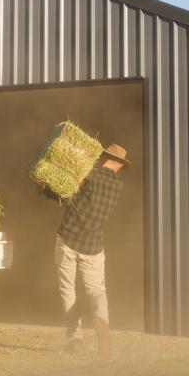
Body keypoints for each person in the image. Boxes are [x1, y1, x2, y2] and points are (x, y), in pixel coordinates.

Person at [55, 142, 130, 355]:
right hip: (93, 245)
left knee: (68, 288)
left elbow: (66, 194)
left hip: (68, 238)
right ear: (120, 166)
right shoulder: (118, 186)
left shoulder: (88, 175)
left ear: (103, 157)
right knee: (96, 290)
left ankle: (75, 339)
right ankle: (100, 321)